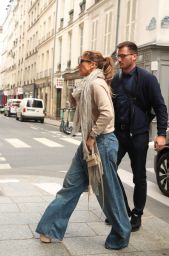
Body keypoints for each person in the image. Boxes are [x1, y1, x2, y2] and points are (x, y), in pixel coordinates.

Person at [36, 50, 131, 250]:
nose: (79, 64)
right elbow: (81, 105)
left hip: (102, 143)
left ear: (92, 65)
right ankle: (50, 228)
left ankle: (122, 233)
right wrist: (76, 96)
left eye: (82, 62)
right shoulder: (86, 85)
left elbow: (107, 113)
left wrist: (92, 135)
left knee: (108, 192)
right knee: (70, 186)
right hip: (88, 145)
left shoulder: (96, 84)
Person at [108, 41, 168, 232]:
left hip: (138, 135)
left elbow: (160, 106)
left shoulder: (147, 78)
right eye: (118, 56)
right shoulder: (116, 79)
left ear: (134, 56)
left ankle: (137, 214)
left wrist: (160, 134)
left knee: (139, 176)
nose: (119, 59)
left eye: (123, 56)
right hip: (118, 134)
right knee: (108, 170)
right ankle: (121, 209)